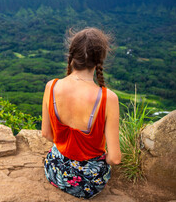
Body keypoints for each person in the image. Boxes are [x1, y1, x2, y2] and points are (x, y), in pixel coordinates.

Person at [41, 27, 121, 199]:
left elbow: (46, 133)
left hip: (55, 171)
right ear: (100, 59)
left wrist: (67, 146)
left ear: (72, 55)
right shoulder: (108, 99)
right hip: (88, 184)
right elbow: (114, 158)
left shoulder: (51, 86)